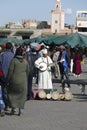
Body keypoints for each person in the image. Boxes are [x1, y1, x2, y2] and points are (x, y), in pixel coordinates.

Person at [7, 47, 29, 116]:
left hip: (14, 81)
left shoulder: (14, 61)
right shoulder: (25, 61)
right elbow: (28, 71)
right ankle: (21, 110)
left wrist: (8, 79)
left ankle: (13, 109)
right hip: (23, 81)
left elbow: (10, 71)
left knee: (12, 94)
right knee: (22, 96)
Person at [0, 42, 14, 111]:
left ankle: (6, 104)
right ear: (11, 47)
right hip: (11, 76)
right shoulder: (13, 55)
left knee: (3, 91)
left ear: (5, 47)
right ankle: (10, 104)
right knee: (10, 91)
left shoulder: (2, 55)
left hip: (3, 76)